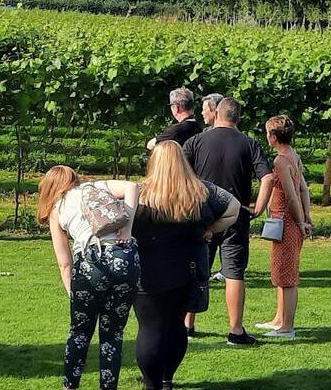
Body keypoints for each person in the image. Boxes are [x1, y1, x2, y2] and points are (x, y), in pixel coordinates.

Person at [132, 141, 240, 390]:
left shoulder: (139, 194)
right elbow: (233, 208)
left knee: (149, 328)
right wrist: (211, 229)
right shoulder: (201, 192)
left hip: (147, 273)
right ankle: (168, 379)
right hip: (187, 271)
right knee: (176, 325)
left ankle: (152, 384)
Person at [37, 166, 139, 390]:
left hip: (90, 263)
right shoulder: (95, 187)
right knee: (113, 334)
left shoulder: (57, 209)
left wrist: (72, 293)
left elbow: (64, 263)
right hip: (126, 258)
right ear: (75, 179)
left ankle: (70, 385)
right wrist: (128, 229)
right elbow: (132, 186)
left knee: (80, 332)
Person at [182, 98, 274, 345]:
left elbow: (180, 173)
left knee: (198, 269)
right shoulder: (249, 143)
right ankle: (235, 330)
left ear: (216, 114)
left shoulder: (197, 141)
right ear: (238, 118)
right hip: (236, 214)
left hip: (203, 214)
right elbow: (268, 178)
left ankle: (188, 325)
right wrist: (258, 208)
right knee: (234, 272)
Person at [253, 115, 312, 340]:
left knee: (287, 277)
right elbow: (304, 190)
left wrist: (300, 221)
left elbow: (292, 196)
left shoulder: (280, 161)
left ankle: (287, 327)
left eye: (268, 133)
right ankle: (279, 318)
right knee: (280, 272)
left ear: (274, 136)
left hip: (287, 223)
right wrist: (307, 217)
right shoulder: (293, 155)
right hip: (289, 223)